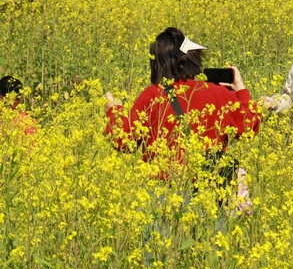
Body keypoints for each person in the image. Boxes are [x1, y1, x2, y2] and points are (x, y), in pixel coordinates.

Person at [104, 28, 261, 178]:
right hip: (206, 190)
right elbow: (250, 126)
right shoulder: (218, 94)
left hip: (160, 193)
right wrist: (240, 88)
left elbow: (123, 141)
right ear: (192, 59)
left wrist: (114, 110)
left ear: (157, 63)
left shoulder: (153, 95)